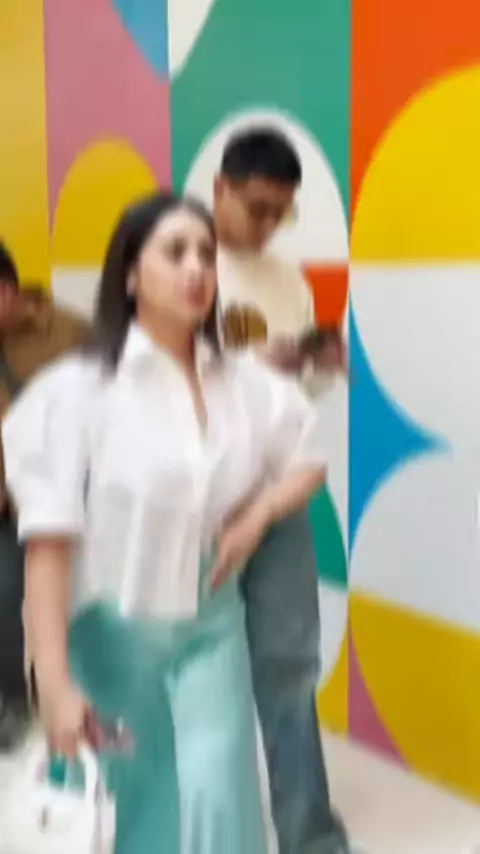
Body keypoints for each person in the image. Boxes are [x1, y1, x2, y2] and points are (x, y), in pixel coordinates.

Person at [2, 193, 327, 854]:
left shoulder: (242, 382)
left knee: (221, 802)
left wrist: (259, 514)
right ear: (130, 275)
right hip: (113, 632)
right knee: (142, 812)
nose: (196, 268)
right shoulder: (77, 392)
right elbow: (47, 546)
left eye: (205, 253)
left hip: (214, 626)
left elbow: (309, 456)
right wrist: (55, 685)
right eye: (175, 252)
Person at [213, 128, 351, 854]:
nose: (269, 225)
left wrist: (318, 364)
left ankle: (311, 836)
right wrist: (246, 365)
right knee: (195, 679)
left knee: (290, 666)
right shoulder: (179, 260)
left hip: (280, 490)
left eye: (282, 213)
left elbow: (296, 401)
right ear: (221, 189)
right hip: (199, 501)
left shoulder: (287, 282)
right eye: (258, 208)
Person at [0, 242, 88, 749]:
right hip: (5, 500)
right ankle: (12, 703)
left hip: (60, 497)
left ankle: (78, 698)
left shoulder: (69, 333)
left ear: (7, 292)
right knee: (3, 596)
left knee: (67, 604)